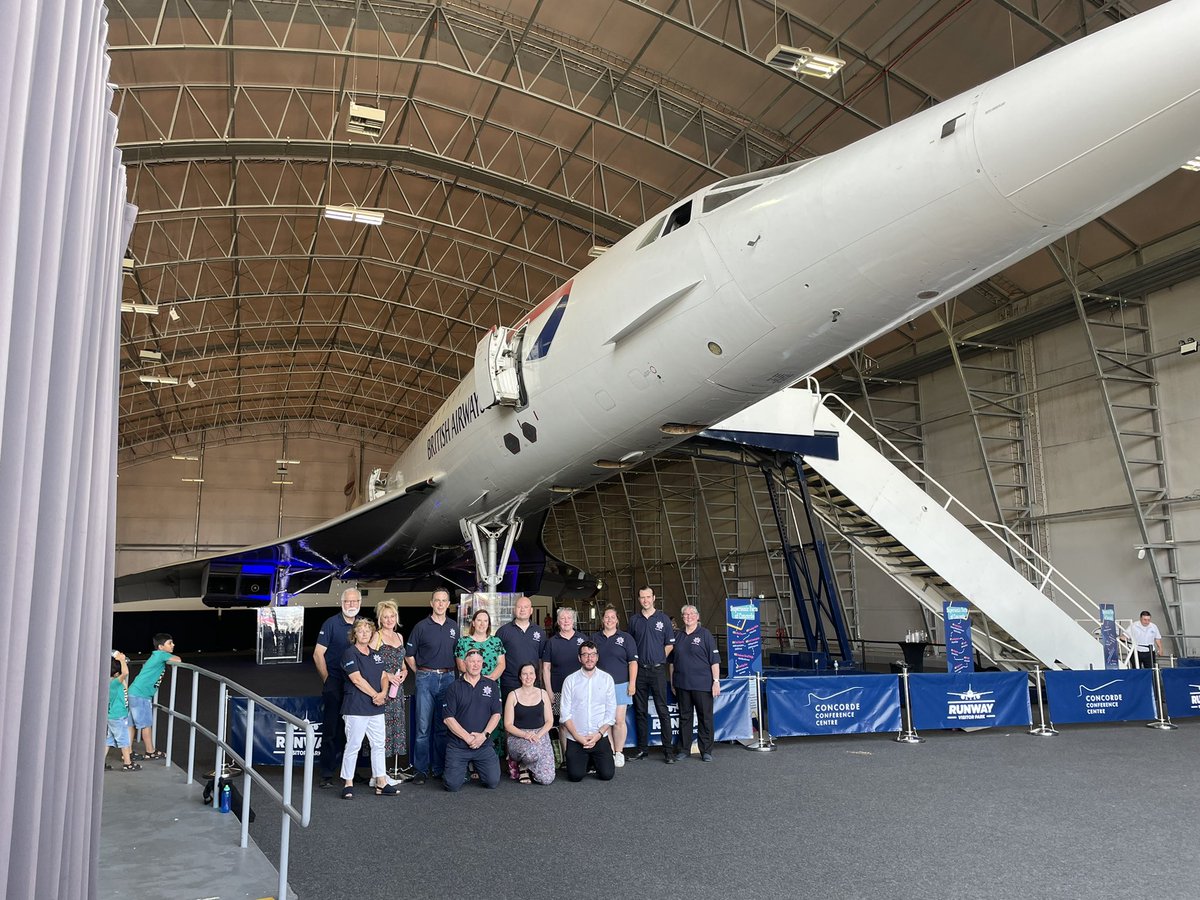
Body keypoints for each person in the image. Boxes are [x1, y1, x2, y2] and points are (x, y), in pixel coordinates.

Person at [404, 588, 459, 784]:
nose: (441, 604)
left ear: (448, 604)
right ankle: (420, 769)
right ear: (431, 603)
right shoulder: (421, 627)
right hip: (425, 678)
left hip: (448, 678)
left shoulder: (454, 627)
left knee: (443, 727)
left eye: (444, 600)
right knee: (422, 728)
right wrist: (420, 672)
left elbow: (458, 654)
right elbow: (409, 655)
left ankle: (439, 768)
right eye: (437, 600)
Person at [339, 619, 398, 798]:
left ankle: (381, 782)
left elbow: (384, 676)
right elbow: (357, 679)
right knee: (353, 745)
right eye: (360, 630)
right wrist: (376, 695)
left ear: (372, 633)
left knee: (378, 745)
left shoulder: (376, 655)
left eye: (367, 630)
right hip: (356, 707)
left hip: (376, 708)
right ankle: (348, 783)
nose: (364, 633)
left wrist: (383, 693)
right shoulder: (350, 653)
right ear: (354, 634)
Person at [313, 589, 361, 787]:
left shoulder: (363, 624)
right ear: (342, 603)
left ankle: (350, 773)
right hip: (335, 682)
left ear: (359, 602)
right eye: (347, 601)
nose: (351, 604)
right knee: (331, 730)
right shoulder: (331, 623)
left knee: (354, 730)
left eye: (354, 601)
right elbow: (318, 654)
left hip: (357, 685)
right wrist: (328, 679)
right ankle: (326, 774)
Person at [441, 647, 502, 791]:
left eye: (479, 661)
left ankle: (473, 766)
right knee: (452, 786)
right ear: (464, 663)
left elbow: (496, 714)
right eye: (472, 661)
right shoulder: (454, 687)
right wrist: (468, 738)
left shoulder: (491, 685)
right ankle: (463, 769)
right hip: (458, 746)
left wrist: (483, 736)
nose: (476, 665)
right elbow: (448, 718)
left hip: (483, 744)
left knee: (492, 782)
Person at [627, 586, 676, 764]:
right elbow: (630, 645)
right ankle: (642, 749)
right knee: (640, 711)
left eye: (648, 597)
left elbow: (670, 643)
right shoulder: (634, 620)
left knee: (662, 710)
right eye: (642, 597)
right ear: (639, 599)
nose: (645, 600)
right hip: (639, 671)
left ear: (654, 598)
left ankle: (668, 751)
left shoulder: (663, 619)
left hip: (657, 670)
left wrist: (659, 657)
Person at [559, 641, 616, 782]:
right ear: (579, 658)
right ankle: (587, 760)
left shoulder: (607, 679)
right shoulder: (570, 680)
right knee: (575, 776)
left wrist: (598, 735)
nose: (589, 658)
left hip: (599, 736)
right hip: (576, 738)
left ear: (597, 657)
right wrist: (577, 736)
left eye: (592, 654)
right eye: (585, 655)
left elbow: (610, 712)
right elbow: (565, 714)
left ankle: (592, 759)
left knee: (607, 775)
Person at [670, 604, 721, 761]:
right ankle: (684, 749)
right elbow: (671, 663)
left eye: (692, 614)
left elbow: (714, 661)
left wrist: (716, 681)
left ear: (697, 617)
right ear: (682, 617)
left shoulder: (705, 634)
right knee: (684, 717)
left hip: (702, 684)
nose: (689, 616)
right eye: (685, 614)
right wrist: (672, 682)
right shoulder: (677, 635)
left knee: (705, 717)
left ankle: (706, 751)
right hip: (682, 684)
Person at [591, 606, 638, 766]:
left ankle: (619, 752)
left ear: (617, 620)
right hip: (599, 686)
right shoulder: (595, 638)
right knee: (606, 721)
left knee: (618, 720)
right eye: (606, 617)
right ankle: (610, 751)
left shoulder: (626, 638)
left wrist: (632, 683)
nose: (609, 620)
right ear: (602, 619)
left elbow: (633, 662)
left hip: (621, 684)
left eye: (612, 617)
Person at [541, 607, 588, 760]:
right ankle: (568, 758)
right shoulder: (551, 642)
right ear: (558, 622)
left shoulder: (583, 639)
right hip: (558, 690)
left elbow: (590, 664)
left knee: (581, 722)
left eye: (569, 618)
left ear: (573, 621)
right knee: (562, 724)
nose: (566, 621)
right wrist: (549, 691)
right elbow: (546, 668)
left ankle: (583, 757)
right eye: (562, 618)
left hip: (580, 690)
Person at [371, 600, 409, 779]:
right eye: (385, 617)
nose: (389, 620)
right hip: (382, 688)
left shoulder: (399, 637)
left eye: (392, 616)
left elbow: (402, 664)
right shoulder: (376, 637)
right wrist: (387, 675)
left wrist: (404, 673)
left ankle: (392, 770)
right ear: (380, 619)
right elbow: (370, 663)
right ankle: (379, 773)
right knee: (381, 730)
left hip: (397, 689)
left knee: (396, 727)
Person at [127, 633, 180, 759]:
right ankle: (150, 751)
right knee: (146, 724)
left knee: (131, 724)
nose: (173, 645)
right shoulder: (161, 655)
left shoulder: (156, 655)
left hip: (134, 692)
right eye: (170, 643)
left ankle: (127, 752)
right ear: (161, 647)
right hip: (141, 695)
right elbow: (178, 660)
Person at [502, 662, 555, 784]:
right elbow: (508, 725)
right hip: (519, 736)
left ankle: (531, 768)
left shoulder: (543, 693)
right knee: (532, 753)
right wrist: (526, 735)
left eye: (531, 673)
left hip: (540, 735)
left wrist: (538, 735)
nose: (528, 677)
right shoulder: (513, 695)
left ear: (535, 676)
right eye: (524, 674)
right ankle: (523, 765)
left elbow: (549, 721)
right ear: (520, 677)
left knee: (546, 779)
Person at [496, 595, 544, 697]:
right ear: (514, 610)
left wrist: (539, 679)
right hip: (509, 683)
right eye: (519, 607)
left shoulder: (539, 632)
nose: (522, 610)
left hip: (532, 682)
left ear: (531, 610)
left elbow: (541, 659)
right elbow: (497, 659)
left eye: (526, 607)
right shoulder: (503, 631)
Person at [105, 653, 140, 772]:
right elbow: (125, 673)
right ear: (116, 673)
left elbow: (124, 681)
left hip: (114, 716)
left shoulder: (114, 682)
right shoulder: (114, 683)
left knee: (109, 740)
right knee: (124, 740)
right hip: (118, 717)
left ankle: (100, 763)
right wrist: (122, 660)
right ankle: (127, 763)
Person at [455, 607, 506, 682]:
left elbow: (501, 664)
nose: (482, 624)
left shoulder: (496, 642)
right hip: (470, 684)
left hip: (491, 683)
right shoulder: (463, 642)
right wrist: (477, 680)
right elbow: (461, 666)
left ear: (488, 624)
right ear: (473, 623)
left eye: (485, 621)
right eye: (479, 620)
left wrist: (491, 679)